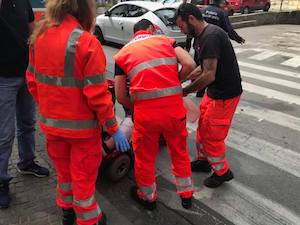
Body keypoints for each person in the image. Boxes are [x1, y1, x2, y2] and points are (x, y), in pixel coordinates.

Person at [26, 0, 130, 224]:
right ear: (84, 9)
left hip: (52, 128)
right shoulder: (86, 42)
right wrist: (113, 128)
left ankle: (66, 211)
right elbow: (98, 96)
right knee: (82, 179)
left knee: (64, 175)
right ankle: (89, 219)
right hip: (82, 133)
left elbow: (32, 82)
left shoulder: (39, 37)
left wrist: (50, 107)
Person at [114, 19, 196, 210]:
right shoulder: (165, 41)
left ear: (134, 33)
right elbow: (190, 64)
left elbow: (120, 95)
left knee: (144, 158)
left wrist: (135, 108)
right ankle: (186, 195)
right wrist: (176, 82)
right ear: (150, 29)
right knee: (179, 152)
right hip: (174, 112)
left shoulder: (123, 53)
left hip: (145, 116)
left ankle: (148, 196)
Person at [175, 3, 243, 188]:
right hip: (214, 92)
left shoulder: (211, 36)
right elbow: (201, 67)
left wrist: (184, 91)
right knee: (203, 127)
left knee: (212, 136)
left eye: (181, 26)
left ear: (191, 19)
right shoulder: (201, 36)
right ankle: (204, 161)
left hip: (225, 95)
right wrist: (184, 78)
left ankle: (222, 173)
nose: (182, 31)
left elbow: (209, 74)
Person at [0, 0, 50, 209]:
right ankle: (1, 181)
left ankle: (27, 162)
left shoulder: (23, 2)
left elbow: (32, 30)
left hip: (27, 74)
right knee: (4, 133)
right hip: (3, 79)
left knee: (28, 123)